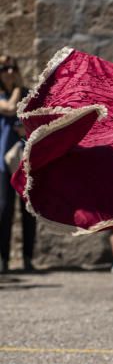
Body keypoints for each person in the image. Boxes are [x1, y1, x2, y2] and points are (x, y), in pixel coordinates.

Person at [0, 55, 35, 273]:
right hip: (2, 161)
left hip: (26, 162)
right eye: (5, 68)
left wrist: (26, 129)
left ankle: (28, 258)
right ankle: (3, 259)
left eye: (13, 67)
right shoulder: (7, 95)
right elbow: (11, 108)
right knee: (4, 210)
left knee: (28, 210)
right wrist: (17, 88)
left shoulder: (29, 95)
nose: (10, 72)